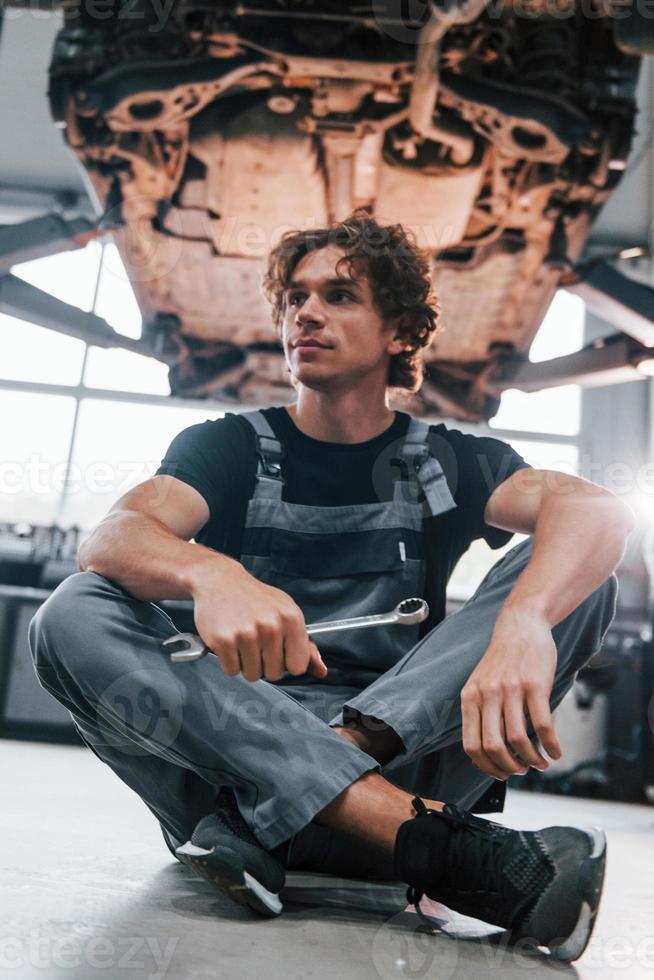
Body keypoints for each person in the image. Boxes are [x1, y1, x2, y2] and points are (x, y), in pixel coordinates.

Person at [29, 212, 632, 962]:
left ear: (402, 333)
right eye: (295, 298)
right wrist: (209, 570)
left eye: (340, 296)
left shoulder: (446, 459)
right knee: (71, 611)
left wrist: (527, 623)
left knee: (579, 578)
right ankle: (441, 849)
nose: (304, 313)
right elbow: (111, 537)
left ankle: (297, 799)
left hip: (302, 798)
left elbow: (592, 509)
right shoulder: (229, 446)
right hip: (231, 771)